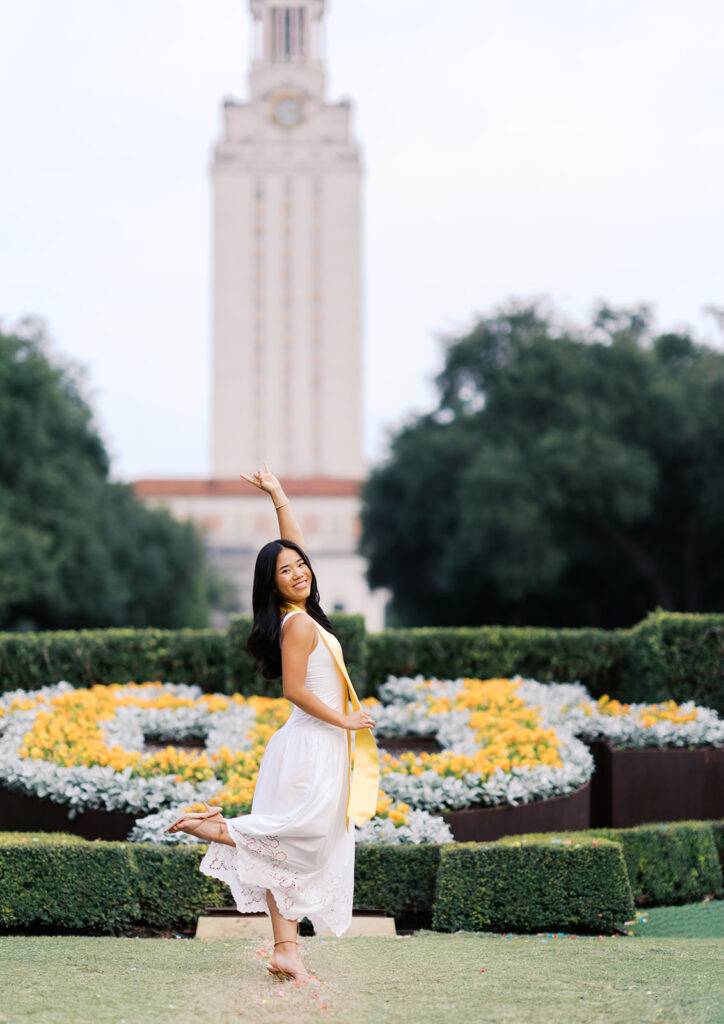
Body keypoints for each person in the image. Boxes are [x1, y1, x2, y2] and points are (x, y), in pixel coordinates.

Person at [164, 462, 378, 983]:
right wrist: (347, 721)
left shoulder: (301, 612)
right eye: (286, 571)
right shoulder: (299, 623)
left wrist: (278, 494)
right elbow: (295, 690)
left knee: (297, 847)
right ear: (273, 585)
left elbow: (294, 547)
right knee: (300, 837)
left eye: (300, 565)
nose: (299, 571)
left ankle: (286, 951)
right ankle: (213, 828)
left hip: (311, 746)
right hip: (313, 744)